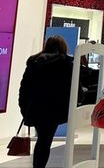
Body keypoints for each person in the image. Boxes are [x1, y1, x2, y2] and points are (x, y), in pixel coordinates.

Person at [18, 36, 74, 168]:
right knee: (45, 141)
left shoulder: (34, 62)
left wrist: (24, 107)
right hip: (54, 109)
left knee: (42, 140)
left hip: (35, 108)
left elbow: (24, 87)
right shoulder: (66, 64)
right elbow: (71, 87)